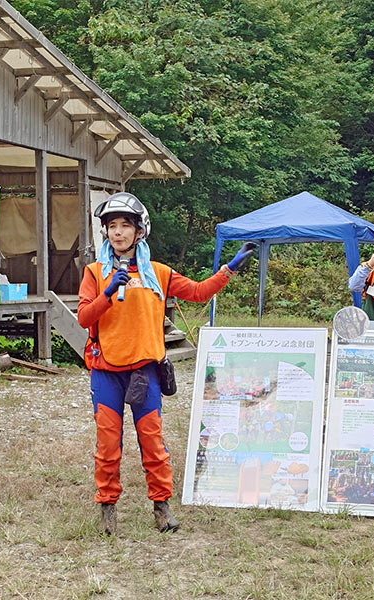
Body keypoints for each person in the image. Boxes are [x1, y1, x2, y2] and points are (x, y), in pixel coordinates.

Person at [77, 192, 255, 535]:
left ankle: (161, 506)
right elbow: (84, 317)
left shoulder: (158, 273)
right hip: (106, 372)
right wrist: (108, 292)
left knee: (153, 443)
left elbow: (199, 292)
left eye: (124, 225)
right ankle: (107, 508)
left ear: (139, 231)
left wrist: (229, 269)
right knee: (108, 445)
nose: (117, 232)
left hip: (145, 372)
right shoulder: (94, 273)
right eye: (111, 226)